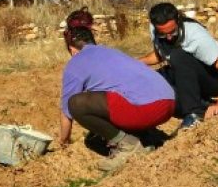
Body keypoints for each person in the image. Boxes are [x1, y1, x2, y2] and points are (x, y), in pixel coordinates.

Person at [59, 14, 175, 172]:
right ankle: (148, 137)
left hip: (145, 110)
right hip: (169, 102)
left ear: (72, 50)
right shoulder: (112, 52)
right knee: (114, 97)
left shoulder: (76, 63)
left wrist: (63, 142)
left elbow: (67, 112)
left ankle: (128, 146)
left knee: (76, 103)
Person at [138, 2, 218, 131]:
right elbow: (162, 53)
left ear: (178, 21)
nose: (168, 38)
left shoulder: (196, 37)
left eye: (172, 32)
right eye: (163, 34)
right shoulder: (156, 29)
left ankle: (195, 113)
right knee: (153, 79)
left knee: (179, 55)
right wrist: (136, 63)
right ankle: (202, 106)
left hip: (213, 80)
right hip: (186, 73)